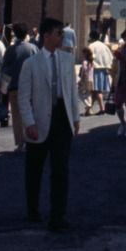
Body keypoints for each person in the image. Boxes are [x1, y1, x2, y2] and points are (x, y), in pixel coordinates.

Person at [18, 17, 80, 230]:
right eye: (58, 33)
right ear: (46, 36)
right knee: (34, 169)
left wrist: (76, 117)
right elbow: (23, 97)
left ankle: (58, 215)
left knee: (60, 169)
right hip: (39, 120)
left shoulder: (67, 60)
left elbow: (71, 89)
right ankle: (33, 210)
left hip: (62, 118)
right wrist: (29, 122)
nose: (61, 37)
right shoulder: (31, 64)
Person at [87, 31, 114, 116]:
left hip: (95, 69)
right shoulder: (104, 46)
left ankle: (102, 108)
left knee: (96, 90)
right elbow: (111, 57)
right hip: (104, 69)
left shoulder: (91, 46)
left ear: (91, 37)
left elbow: (89, 58)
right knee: (95, 91)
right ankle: (88, 109)